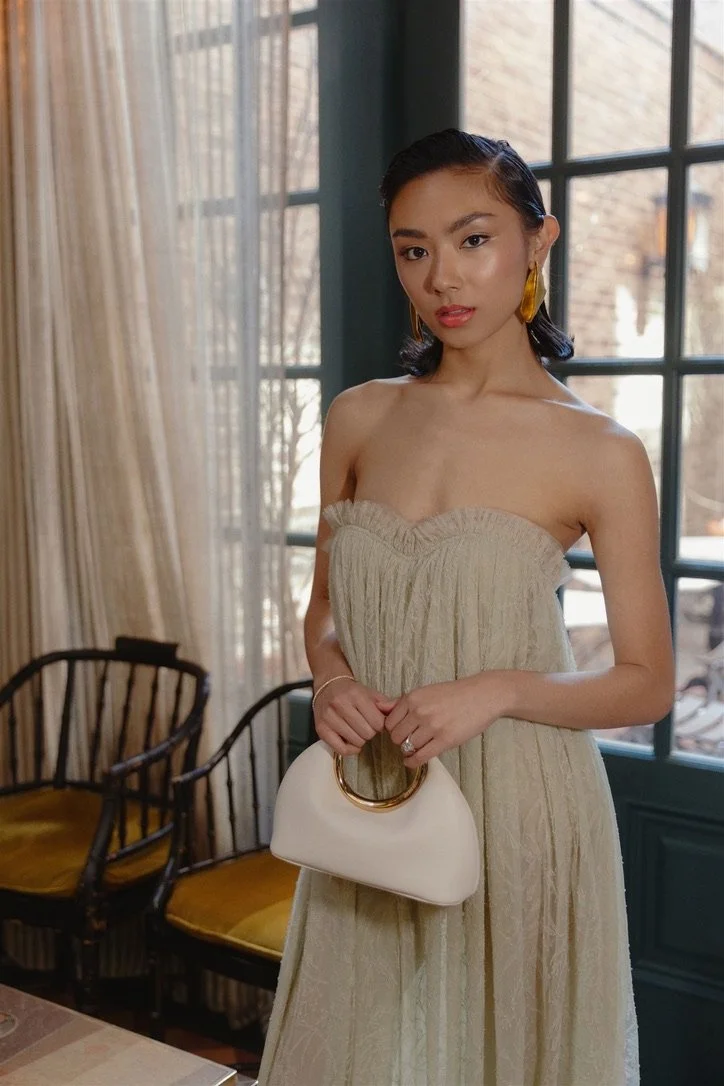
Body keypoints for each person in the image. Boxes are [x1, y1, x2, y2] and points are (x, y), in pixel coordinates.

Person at [257, 128, 675, 1086]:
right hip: (374, 794)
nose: (443, 274)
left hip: (524, 807)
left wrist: (495, 689)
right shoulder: (359, 416)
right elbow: (324, 611)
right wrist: (332, 679)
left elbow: (646, 683)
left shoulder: (599, 452)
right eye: (414, 248)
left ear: (538, 243)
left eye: (474, 239)